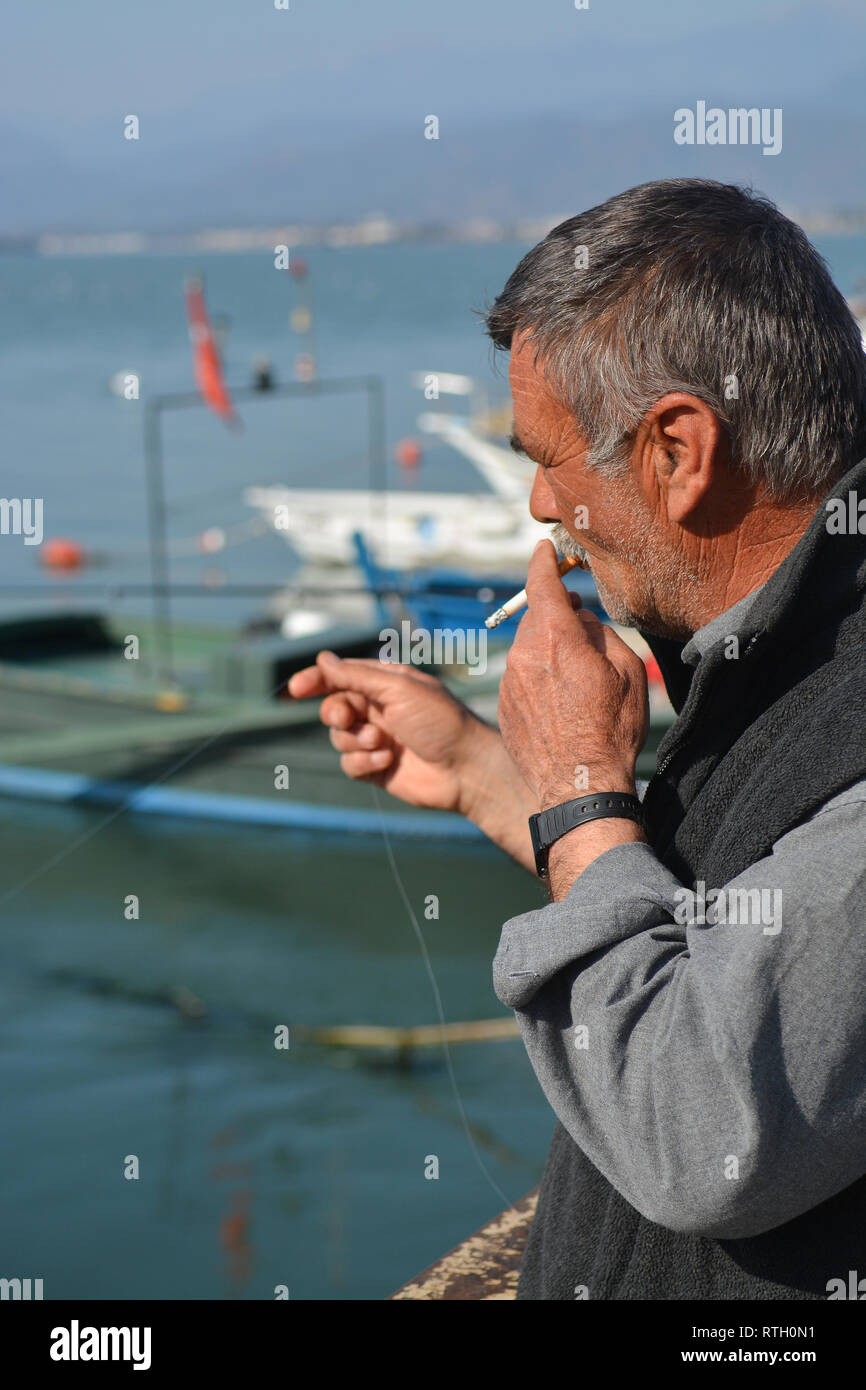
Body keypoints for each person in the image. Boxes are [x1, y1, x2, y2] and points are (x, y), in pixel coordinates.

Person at [288, 178, 866, 1300]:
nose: (541, 507)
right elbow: (739, 918)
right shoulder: (791, 631)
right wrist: (489, 777)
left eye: (546, 458)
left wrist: (576, 789)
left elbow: (701, 1136)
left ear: (675, 453)